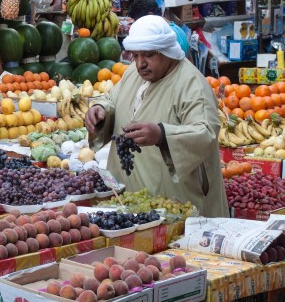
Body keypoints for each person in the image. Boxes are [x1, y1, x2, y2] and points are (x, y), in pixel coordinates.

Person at [86, 15, 229, 218]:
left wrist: (162, 135)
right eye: (135, 56)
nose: (140, 64)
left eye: (149, 55)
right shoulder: (133, 74)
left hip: (175, 203)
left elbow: (206, 133)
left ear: (166, 51)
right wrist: (100, 110)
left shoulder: (192, 85)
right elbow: (113, 100)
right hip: (131, 199)